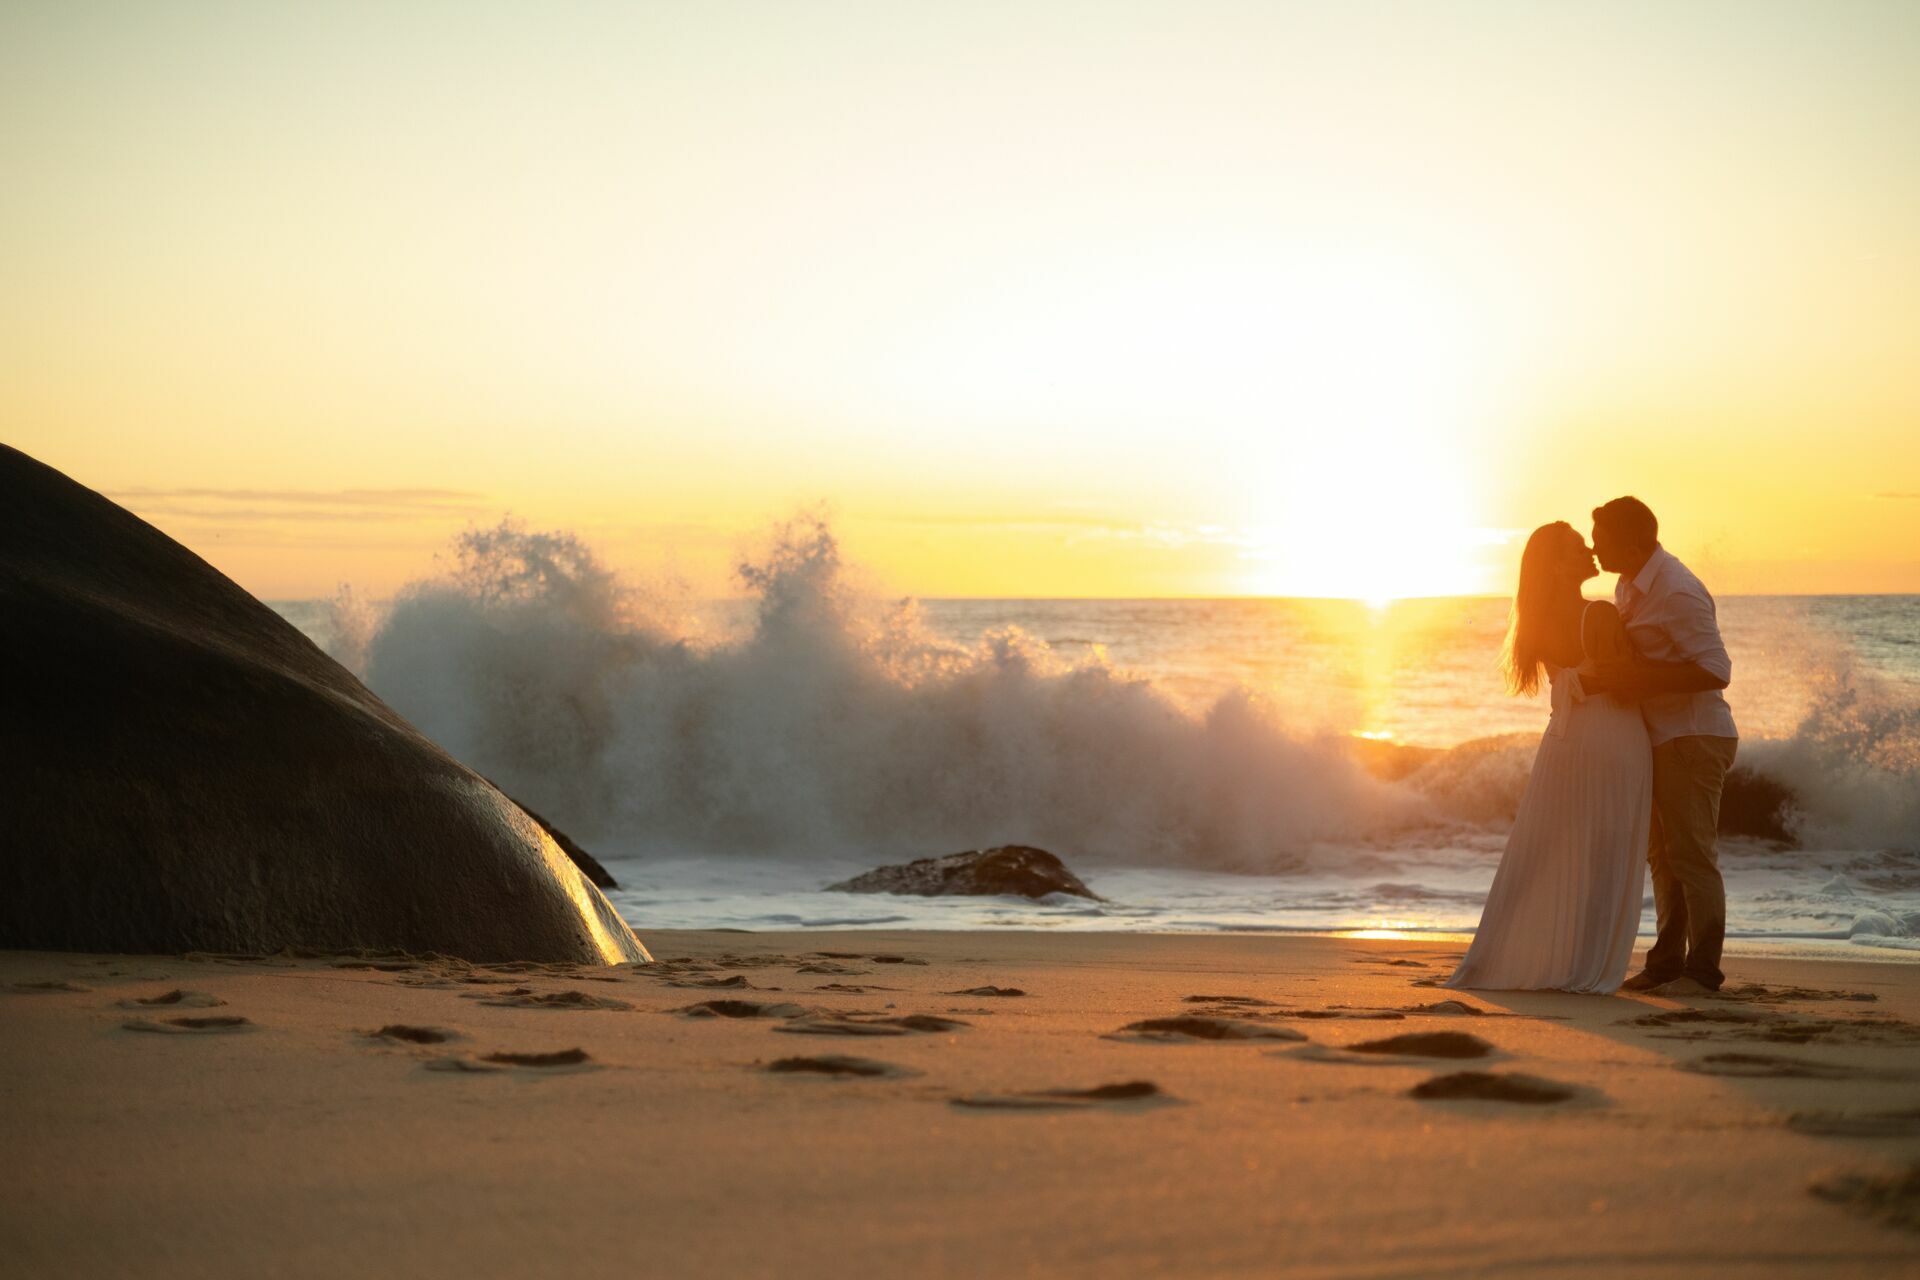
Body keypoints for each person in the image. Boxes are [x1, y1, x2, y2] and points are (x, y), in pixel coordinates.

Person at [1444, 522, 1651, 993]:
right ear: (1559, 566)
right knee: (1606, 852)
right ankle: (1587, 965)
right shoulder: (1598, 615)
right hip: (1611, 736)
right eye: (1580, 548)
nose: (1592, 551)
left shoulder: (1534, 627)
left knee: (1549, 850)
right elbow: (1627, 684)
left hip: (1563, 742)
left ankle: (1518, 956)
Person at [1578, 497, 1737, 996]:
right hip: (1659, 739)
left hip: (1693, 736)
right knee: (1663, 858)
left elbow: (1717, 670)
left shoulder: (1676, 590)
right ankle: (1667, 964)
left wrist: (1639, 678)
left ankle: (1703, 972)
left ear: (1634, 540)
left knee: (1691, 856)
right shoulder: (1629, 585)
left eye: (1600, 536)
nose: (1593, 546)